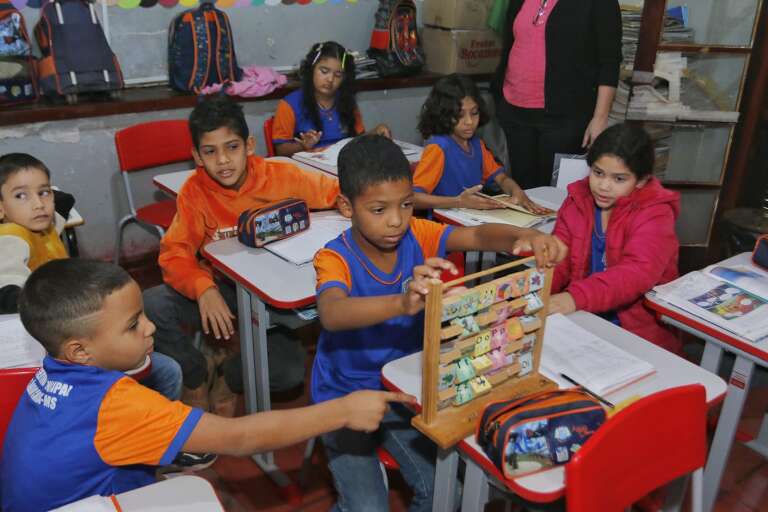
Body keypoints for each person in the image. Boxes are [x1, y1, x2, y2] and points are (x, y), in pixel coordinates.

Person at [0, 259, 413, 512]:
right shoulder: (115, 405)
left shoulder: (53, 366)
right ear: (80, 350)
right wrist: (343, 410)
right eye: (132, 326)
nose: (149, 329)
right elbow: (240, 436)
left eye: (143, 315)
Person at [312, 135, 567, 511]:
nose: (397, 220)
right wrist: (401, 303)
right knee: (367, 507)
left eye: (407, 204)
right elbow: (332, 313)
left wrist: (524, 235)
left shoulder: (418, 233)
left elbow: (478, 234)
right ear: (346, 207)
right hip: (344, 397)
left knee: (446, 495)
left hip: (405, 391)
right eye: (379, 209)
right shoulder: (334, 258)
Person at [142, 95, 340, 415]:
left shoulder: (282, 176)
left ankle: (230, 377)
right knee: (150, 306)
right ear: (197, 156)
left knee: (288, 374)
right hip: (224, 289)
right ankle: (197, 372)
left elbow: (336, 193)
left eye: (231, 147)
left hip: (272, 294)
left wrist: (353, 205)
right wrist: (202, 288)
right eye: (210, 151)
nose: (222, 161)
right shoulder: (195, 192)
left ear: (249, 145)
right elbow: (174, 252)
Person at [0, 153, 184, 405]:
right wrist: (59, 308)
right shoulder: (12, 236)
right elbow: (7, 292)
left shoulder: (44, 227)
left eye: (43, 192)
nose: (38, 204)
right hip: (61, 338)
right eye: (21, 195)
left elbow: (65, 199)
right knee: (166, 371)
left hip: (71, 329)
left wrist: (41, 194)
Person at [547, 124, 681, 353]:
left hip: (634, 331)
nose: (604, 186)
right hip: (582, 316)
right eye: (598, 173)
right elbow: (558, 257)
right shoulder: (578, 199)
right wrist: (537, 290)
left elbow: (635, 273)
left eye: (619, 179)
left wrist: (573, 298)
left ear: (641, 180)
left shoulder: (656, 213)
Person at [493, 0, 622, 189]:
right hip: (515, 109)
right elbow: (511, 44)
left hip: (565, 115)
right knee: (522, 190)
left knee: (555, 194)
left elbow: (610, 62)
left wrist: (600, 118)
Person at [412, 74, 548, 213]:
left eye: (474, 113)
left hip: (473, 218)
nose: (469, 122)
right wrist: (459, 202)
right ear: (443, 114)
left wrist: (516, 191)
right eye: (460, 115)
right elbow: (413, 199)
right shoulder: (439, 148)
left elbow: (501, 178)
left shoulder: (477, 145)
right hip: (445, 225)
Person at [272, 41, 391, 156]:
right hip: (307, 170)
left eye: (338, 75)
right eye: (324, 71)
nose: (330, 79)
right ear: (311, 70)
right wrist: (303, 145)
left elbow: (356, 141)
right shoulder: (289, 104)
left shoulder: (346, 101)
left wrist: (375, 133)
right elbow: (280, 151)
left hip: (344, 165)